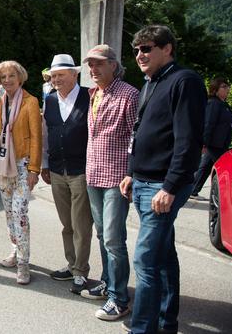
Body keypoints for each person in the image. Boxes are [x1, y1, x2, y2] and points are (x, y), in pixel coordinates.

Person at [120, 25, 206, 334]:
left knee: (145, 260)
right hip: (143, 182)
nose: (140, 55)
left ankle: (142, 329)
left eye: (147, 48)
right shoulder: (150, 83)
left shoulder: (185, 81)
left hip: (163, 186)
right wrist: (131, 171)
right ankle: (166, 322)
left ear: (167, 48)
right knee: (163, 255)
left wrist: (170, 187)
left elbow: (188, 141)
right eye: (137, 50)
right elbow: (139, 131)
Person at [80, 45, 139, 321]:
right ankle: (108, 282)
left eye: (99, 64)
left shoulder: (129, 95)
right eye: (90, 64)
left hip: (117, 179)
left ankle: (119, 299)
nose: (93, 69)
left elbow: (136, 138)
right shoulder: (93, 93)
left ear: (114, 65)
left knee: (114, 239)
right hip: (94, 175)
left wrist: (131, 172)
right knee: (103, 235)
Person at [0, 61, 42, 285]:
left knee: (20, 213)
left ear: (20, 78)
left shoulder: (30, 102)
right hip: (2, 165)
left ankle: (24, 263)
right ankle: (15, 250)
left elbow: (37, 138)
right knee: (9, 213)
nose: (7, 80)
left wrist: (34, 169)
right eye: (3, 76)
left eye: (11, 76)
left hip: (22, 165)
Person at [41, 54, 93, 294]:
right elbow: (45, 135)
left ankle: (81, 272)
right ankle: (72, 265)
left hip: (81, 171)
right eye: (53, 76)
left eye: (62, 75)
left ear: (75, 74)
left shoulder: (89, 97)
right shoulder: (50, 100)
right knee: (66, 223)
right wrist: (44, 164)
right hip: (56, 170)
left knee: (81, 224)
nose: (57, 79)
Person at [190, 77, 232, 199]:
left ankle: (192, 190)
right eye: (224, 87)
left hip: (219, 143)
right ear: (215, 89)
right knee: (225, 168)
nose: (228, 89)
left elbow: (226, 122)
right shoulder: (213, 103)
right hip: (214, 144)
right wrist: (204, 143)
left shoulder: (223, 104)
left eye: (228, 86)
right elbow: (209, 123)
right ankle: (227, 196)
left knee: (204, 168)